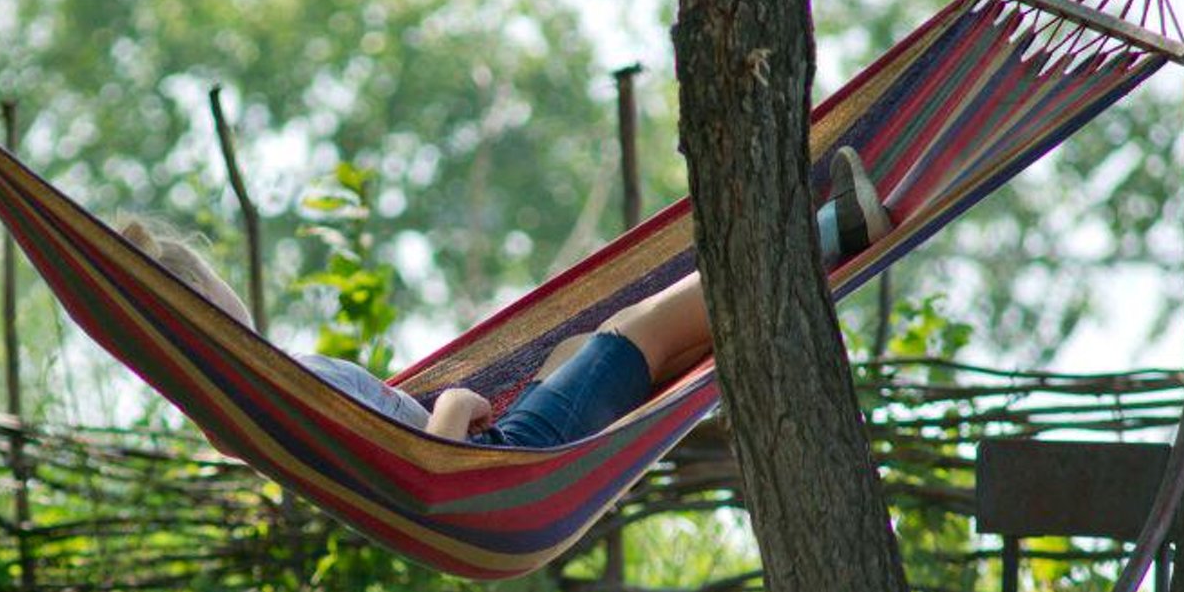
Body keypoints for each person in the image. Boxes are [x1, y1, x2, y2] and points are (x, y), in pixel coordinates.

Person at [124, 146, 891, 448]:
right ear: (210, 308)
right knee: (635, 336)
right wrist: (457, 400)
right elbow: (434, 458)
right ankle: (828, 231)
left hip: (500, 457)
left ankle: (816, 255)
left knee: (591, 350)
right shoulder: (285, 384)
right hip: (498, 461)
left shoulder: (251, 409)